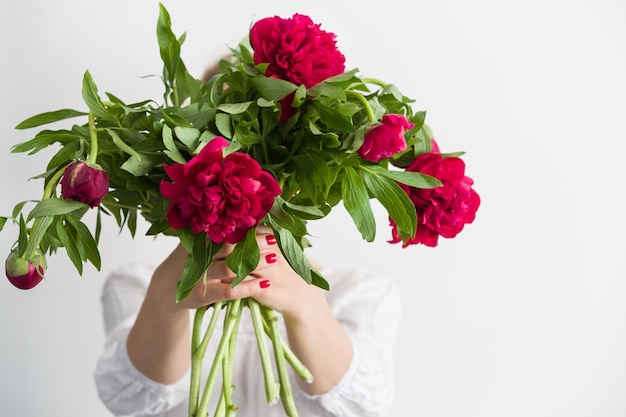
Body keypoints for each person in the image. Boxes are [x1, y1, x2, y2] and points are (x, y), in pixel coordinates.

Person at [93, 225, 402, 417]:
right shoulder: (136, 283)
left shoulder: (360, 292)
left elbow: (361, 408)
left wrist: (306, 304)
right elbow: (132, 401)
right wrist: (165, 300)